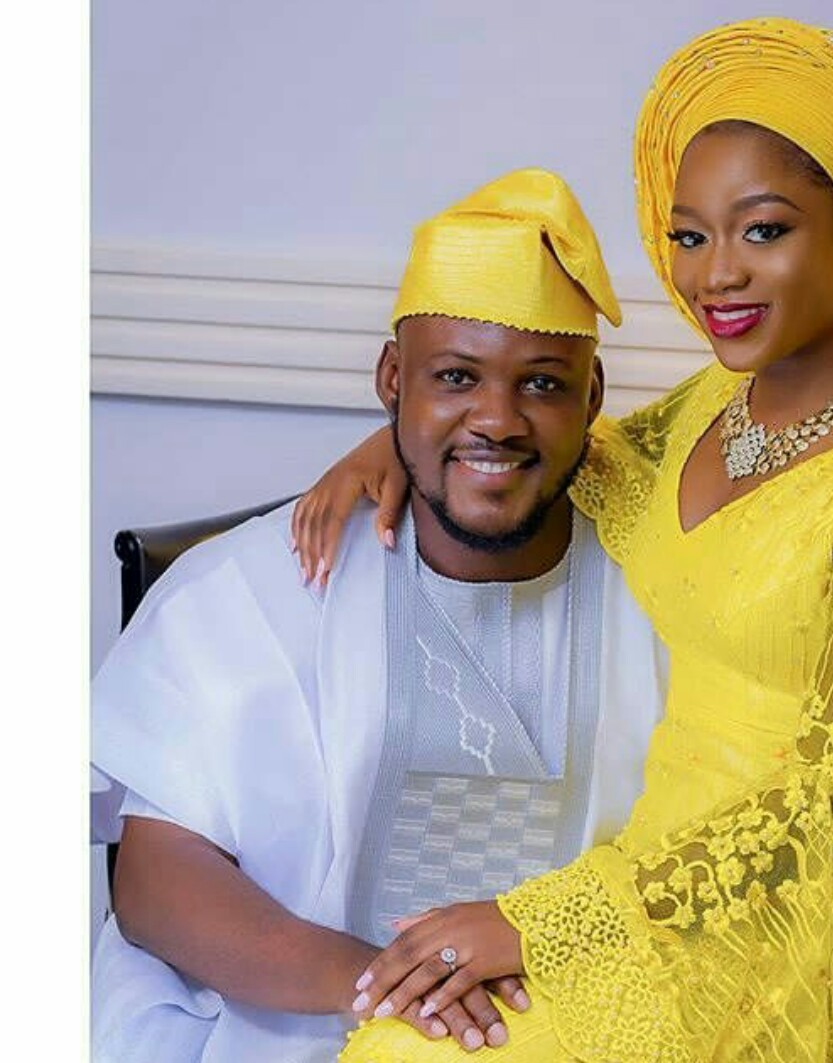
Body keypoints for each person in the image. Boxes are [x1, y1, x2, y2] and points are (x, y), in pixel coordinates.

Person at [293, 18, 833, 1063]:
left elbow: (825, 808)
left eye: (763, 230)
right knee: (404, 1040)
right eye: (689, 236)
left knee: (414, 1051)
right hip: (667, 880)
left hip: (815, 910)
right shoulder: (717, 408)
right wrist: (402, 435)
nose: (717, 275)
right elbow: (576, 452)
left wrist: (538, 921)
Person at [89, 169, 670, 1062]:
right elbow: (156, 883)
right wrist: (402, 1001)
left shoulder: (666, 593)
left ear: (592, 399)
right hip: (300, 1024)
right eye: (456, 376)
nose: (497, 419)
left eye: (543, 384)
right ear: (393, 380)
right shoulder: (245, 589)